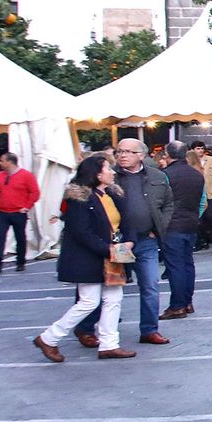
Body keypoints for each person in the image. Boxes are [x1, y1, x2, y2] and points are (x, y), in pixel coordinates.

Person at [33, 156, 137, 361]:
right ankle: (49, 337)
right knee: (89, 302)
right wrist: (108, 249)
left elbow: (125, 221)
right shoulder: (80, 199)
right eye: (109, 168)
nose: (113, 172)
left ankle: (109, 344)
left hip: (114, 254)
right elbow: (82, 232)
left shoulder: (112, 194)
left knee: (114, 299)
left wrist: (130, 241)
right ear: (97, 174)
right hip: (91, 257)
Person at [76, 139, 174, 347]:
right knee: (105, 284)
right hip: (117, 241)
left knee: (150, 285)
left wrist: (159, 228)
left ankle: (149, 329)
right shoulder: (108, 176)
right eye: (120, 151)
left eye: (128, 152)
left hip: (146, 239)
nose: (122, 155)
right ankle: (86, 329)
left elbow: (168, 203)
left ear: (141, 155)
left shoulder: (156, 176)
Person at [160, 143, 204, 321]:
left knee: (175, 266)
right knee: (187, 264)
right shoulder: (197, 175)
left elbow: (160, 201)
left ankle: (177, 305)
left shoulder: (165, 175)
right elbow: (202, 202)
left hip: (172, 225)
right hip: (191, 223)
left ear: (167, 154)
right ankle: (187, 301)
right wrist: (195, 216)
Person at [0, 152, 41, 273]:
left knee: (20, 238)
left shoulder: (26, 175)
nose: (0, 163)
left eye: (2, 161)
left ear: (9, 162)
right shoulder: (0, 175)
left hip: (18, 212)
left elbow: (35, 192)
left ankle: (20, 262)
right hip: (2, 211)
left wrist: (26, 206)